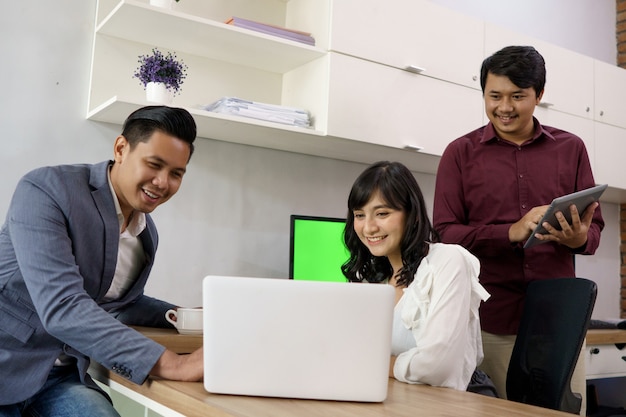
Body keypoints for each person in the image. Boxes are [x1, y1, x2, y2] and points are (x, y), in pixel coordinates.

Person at [0, 106, 204, 417]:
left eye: (176, 173)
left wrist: (185, 316)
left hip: (59, 379)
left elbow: (117, 301)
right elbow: (63, 306)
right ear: (121, 149)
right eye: (154, 164)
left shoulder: (146, 234)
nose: (163, 183)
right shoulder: (45, 190)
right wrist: (175, 364)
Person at [432, 45, 604, 409]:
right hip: (489, 323)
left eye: (518, 96)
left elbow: (594, 231)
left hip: (558, 326)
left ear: (539, 95)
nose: (504, 107)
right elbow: (445, 233)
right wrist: (509, 231)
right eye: (494, 96)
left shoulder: (571, 149)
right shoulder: (459, 154)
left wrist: (578, 239)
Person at [342, 161, 492, 392]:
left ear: (412, 215)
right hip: (394, 396)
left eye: (382, 213)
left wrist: (379, 364)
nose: (369, 227)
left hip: (449, 402)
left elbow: (437, 366)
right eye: (359, 215)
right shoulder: (372, 278)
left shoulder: (449, 260)